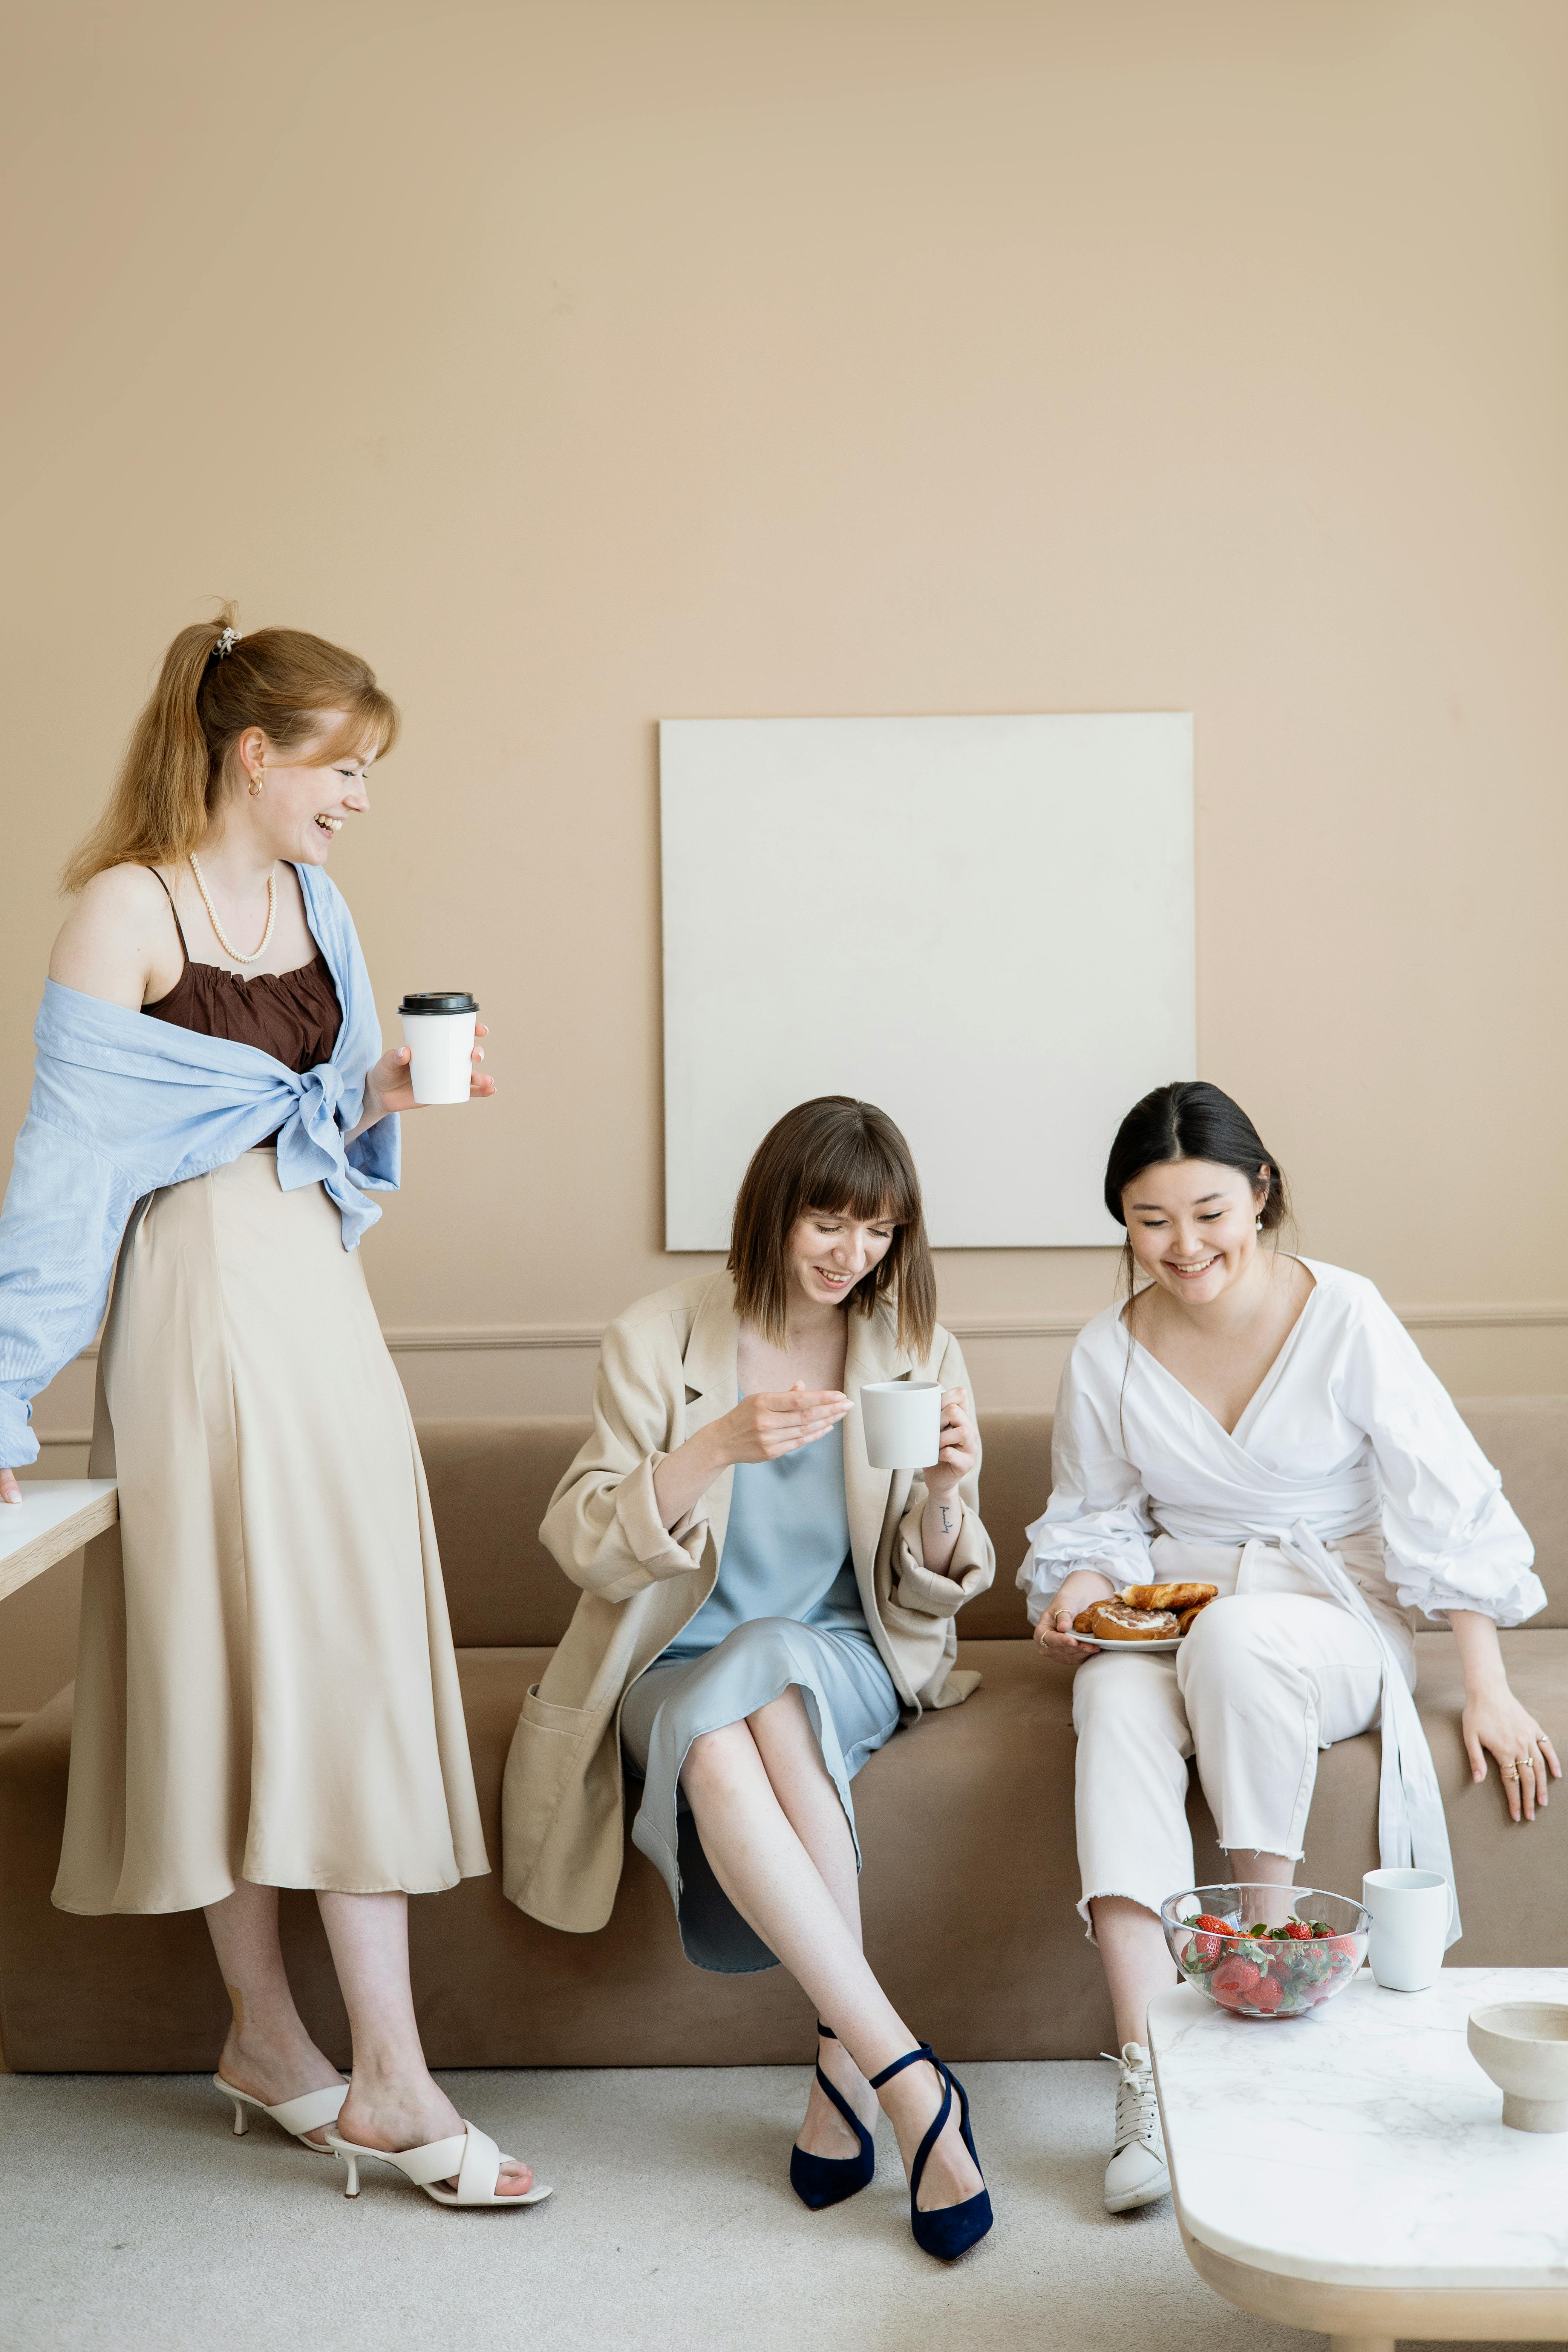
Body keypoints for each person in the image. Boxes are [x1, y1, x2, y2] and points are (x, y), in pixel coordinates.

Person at [0, 609, 545, 2210]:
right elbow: (65, 1181)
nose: (360, 797)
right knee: (239, 1668)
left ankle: (331, 2057)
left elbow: (326, 1114)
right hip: (192, 1310)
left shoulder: (316, 900)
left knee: (348, 1650)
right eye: (345, 765)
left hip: (312, 1296)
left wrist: (382, 1095)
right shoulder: (123, 911)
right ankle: (329, 2058)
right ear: (255, 751)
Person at [1021, 1080, 1555, 2217]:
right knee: (1115, 1694)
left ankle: (1265, 2000)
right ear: (1122, 1217)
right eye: (1151, 1219)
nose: (1183, 1246)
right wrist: (1076, 1590)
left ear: (1261, 1193)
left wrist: (1489, 1686)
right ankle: (1148, 2077)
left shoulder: (1347, 1313)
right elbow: (1097, 1520)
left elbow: (1442, 1499)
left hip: (1330, 1619)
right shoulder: (1105, 1352)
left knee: (1242, 1636)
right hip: (1177, 1618)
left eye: (1208, 1212)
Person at [503, 1096, 995, 2259]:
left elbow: (931, 1586)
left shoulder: (911, 1347)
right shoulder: (660, 1336)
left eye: (878, 1233)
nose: (853, 1257)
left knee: (773, 1668)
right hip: (670, 1664)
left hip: (842, 1656)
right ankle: (895, 2080)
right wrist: (715, 1443)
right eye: (829, 1223)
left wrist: (941, 1496)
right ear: (774, 1207)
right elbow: (579, 1539)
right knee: (726, 1726)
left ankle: (865, 2079)